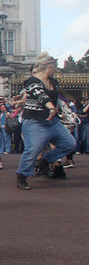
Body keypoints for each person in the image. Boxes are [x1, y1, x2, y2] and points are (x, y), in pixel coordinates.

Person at [15, 52, 77, 190]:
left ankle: (45, 161)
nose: (57, 70)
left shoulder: (54, 82)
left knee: (69, 144)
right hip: (34, 122)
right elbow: (41, 96)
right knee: (33, 149)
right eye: (55, 67)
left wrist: (59, 111)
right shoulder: (32, 81)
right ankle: (22, 176)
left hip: (52, 122)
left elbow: (56, 100)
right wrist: (51, 108)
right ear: (49, 67)